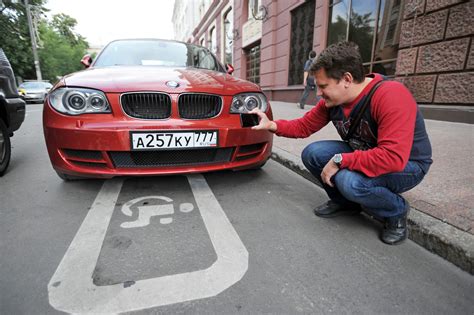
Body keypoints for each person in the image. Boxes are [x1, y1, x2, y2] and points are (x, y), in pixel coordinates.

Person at [251, 41, 432, 245]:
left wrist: (340, 160)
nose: (318, 93)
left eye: (323, 86)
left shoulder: (391, 95)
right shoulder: (333, 102)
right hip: (366, 151)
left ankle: (396, 211)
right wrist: (271, 124)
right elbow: (303, 126)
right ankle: (345, 203)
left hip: (408, 166)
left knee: (349, 181)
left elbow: (393, 158)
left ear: (346, 79)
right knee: (313, 153)